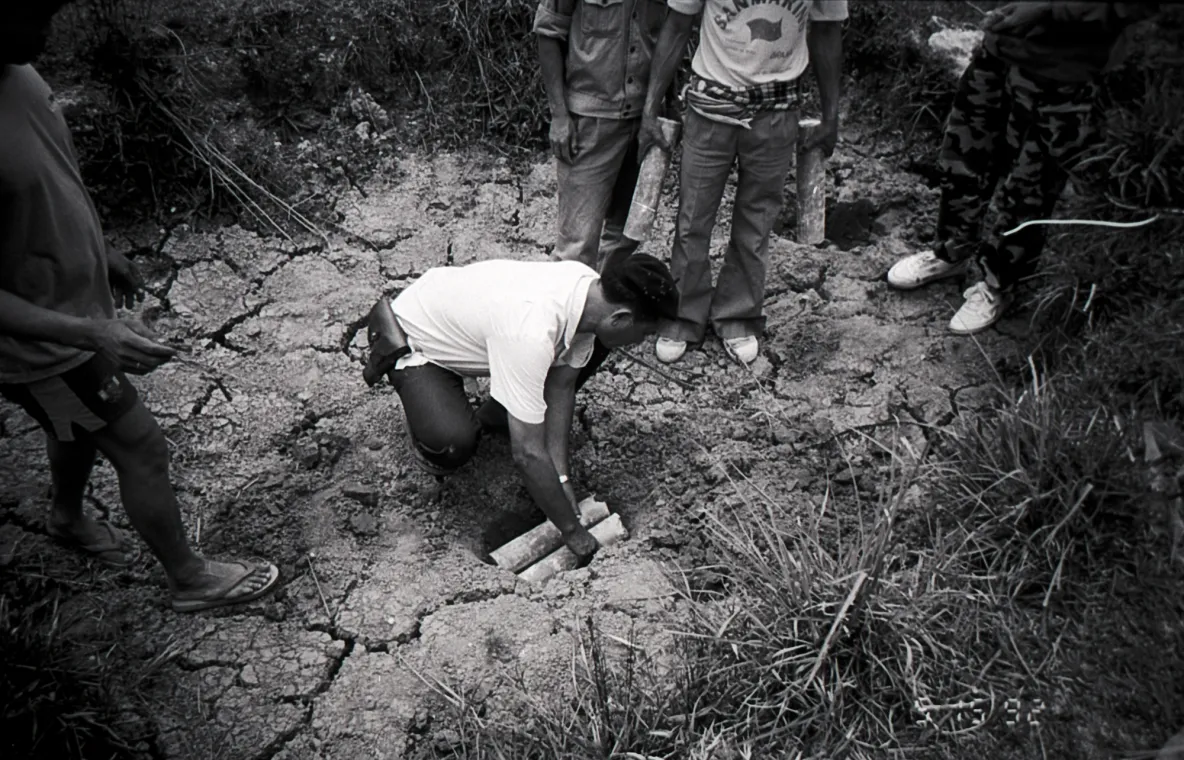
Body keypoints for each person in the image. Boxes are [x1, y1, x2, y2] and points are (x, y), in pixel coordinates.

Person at [0, 2, 280, 613]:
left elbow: (50, 178)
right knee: (141, 445)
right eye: (35, 12)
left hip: (78, 311)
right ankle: (190, 579)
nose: (50, 28)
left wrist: (101, 249)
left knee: (71, 425)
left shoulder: (18, 71)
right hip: (46, 344)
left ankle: (66, 517)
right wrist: (92, 333)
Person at [368, 255, 678, 559]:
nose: (639, 343)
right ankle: (428, 415)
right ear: (620, 317)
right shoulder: (530, 331)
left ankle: (500, 413)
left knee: (589, 353)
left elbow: (561, 385)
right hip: (416, 339)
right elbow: (527, 454)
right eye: (645, 333)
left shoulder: (588, 293)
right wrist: (572, 531)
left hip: (481, 329)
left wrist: (561, 478)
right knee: (451, 442)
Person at [886, 2, 1160, 335]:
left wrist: (1048, 10)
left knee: (1028, 185)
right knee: (964, 154)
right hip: (1002, 48)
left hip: (1066, 72)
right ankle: (951, 251)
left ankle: (998, 284)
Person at [639, 0, 846, 365]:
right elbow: (677, 24)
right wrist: (650, 108)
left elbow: (827, 31)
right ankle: (682, 314)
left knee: (758, 218)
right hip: (711, 105)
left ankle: (737, 315)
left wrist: (831, 116)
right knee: (693, 216)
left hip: (778, 107)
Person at [533, 0, 669, 271]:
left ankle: (603, 306)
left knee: (626, 235)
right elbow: (548, 32)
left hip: (646, 119)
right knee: (577, 245)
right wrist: (559, 115)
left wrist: (665, 109)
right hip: (590, 121)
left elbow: (670, 37)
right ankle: (568, 310)